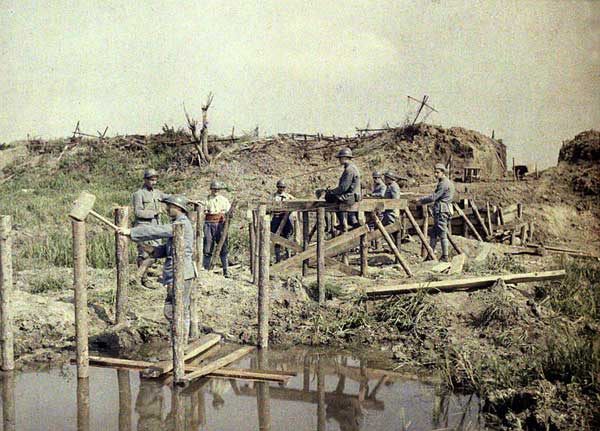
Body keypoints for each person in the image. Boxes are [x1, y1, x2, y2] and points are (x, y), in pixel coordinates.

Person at [118, 195, 196, 342]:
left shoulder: (181, 224)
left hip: (181, 274)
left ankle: (180, 343)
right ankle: (179, 342)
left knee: (176, 310)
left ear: (178, 208)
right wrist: (150, 249)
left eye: (169, 206)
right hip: (175, 273)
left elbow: (157, 230)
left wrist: (132, 232)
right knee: (174, 309)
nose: (167, 209)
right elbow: (168, 250)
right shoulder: (177, 224)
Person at [415, 163, 455, 262]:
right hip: (442, 209)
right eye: (435, 172)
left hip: (442, 210)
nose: (435, 174)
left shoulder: (444, 183)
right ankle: (431, 255)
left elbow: (434, 197)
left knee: (442, 232)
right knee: (433, 233)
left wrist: (420, 200)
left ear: (443, 172)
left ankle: (445, 256)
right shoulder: (446, 182)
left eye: (437, 172)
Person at [132, 169, 171, 269]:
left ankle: (147, 273)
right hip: (143, 226)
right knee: (144, 253)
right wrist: (154, 213)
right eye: (151, 180)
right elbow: (138, 212)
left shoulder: (157, 193)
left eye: (155, 180)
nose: (154, 182)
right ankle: (141, 278)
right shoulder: (139, 194)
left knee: (155, 252)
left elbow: (170, 197)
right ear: (145, 180)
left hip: (156, 226)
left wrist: (187, 200)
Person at [323, 147, 361, 229]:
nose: (339, 160)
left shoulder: (349, 170)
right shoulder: (351, 168)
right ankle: (346, 222)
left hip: (350, 197)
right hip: (352, 195)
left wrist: (331, 191)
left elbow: (343, 188)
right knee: (332, 197)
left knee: (329, 197)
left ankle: (343, 223)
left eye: (340, 158)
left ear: (345, 158)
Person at [202, 180, 231, 277]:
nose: (216, 191)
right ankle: (206, 269)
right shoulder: (206, 199)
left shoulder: (224, 200)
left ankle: (225, 270)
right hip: (209, 224)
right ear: (211, 189)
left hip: (220, 224)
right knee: (207, 246)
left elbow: (229, 212)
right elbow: (203, 211)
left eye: (217, 189)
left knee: (223, 247)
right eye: (214, 189)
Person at [270, 179, 295, 262]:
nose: (281, 189)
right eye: (280, 187)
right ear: (277, 187)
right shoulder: (273, 197)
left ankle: (289, 258)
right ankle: (278, 259)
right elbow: (269, 207)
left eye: (283, 187)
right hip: (276, 218)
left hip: (286, 218)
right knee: (276, 238)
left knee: (288, 237)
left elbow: (296, 203)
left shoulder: (288, 196)